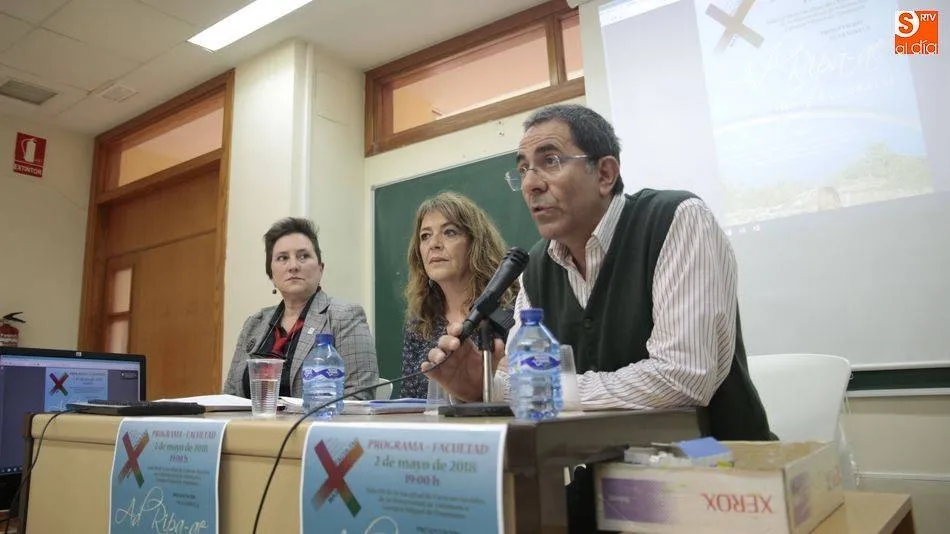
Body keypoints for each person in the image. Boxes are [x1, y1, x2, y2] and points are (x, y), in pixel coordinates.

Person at [224, 217, 379, 400]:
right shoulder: (254, 323)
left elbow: (360, 397)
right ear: (272, 275)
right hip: (251, 427)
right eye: (283, 258)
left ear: (321, 269)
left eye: (303, 256)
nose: (293, 266)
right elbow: (230, 395)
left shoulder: (344, 316)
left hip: (315, 427)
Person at [400, 192, 516, 399]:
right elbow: (408, 399)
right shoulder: (420, 323)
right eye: (425, 236)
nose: (434, 244)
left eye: (449, 232)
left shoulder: (513, 308)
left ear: (475, 244)